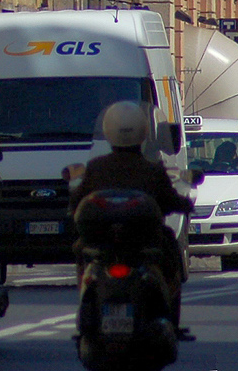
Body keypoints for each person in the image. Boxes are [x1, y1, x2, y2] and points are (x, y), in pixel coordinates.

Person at [70, 101, 195, 331]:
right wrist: (186, 205)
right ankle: (169, 306)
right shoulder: (152, 169)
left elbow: (78, 199)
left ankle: (84, 297)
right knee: (170, 248)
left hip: (104, 246)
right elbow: (169, 199)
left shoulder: (96, 167)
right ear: (143, 131)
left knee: (80, 249)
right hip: (142, 245)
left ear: (108, 130)